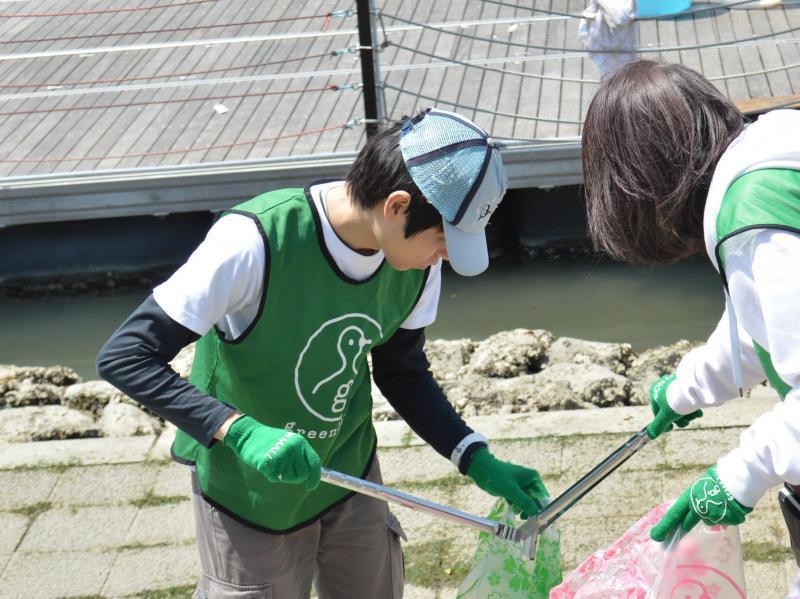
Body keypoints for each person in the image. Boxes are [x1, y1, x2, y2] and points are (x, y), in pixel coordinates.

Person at [97, 108, 548, 599]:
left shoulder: (416, 264)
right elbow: (126, 356)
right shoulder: (255, 241)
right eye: (445, 239)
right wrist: (239, 431)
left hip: (349, 475)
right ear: (397, 207)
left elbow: (403, 374)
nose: (447, 257)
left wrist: (473, 455)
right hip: (248, 486)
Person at [581, 60, 800, 547]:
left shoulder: (751, 219)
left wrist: (742, 473)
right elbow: (765, 322)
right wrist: (688, 387)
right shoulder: (772, 146)